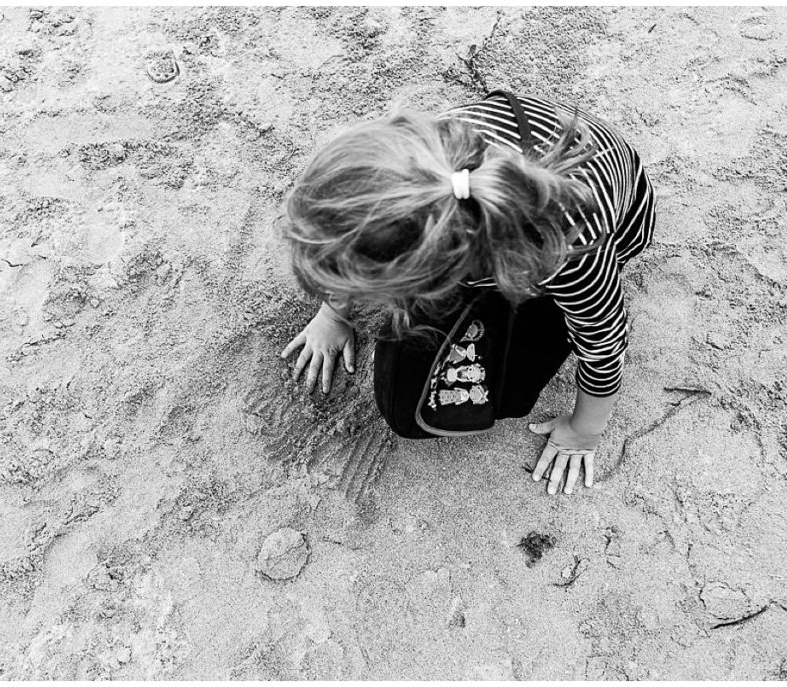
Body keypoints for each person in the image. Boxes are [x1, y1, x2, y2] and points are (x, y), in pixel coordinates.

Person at [278, 91, 656, 497]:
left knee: (508, 379)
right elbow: (357, 241)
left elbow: (603, 342)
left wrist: (584, 430)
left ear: (438, 274)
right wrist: (333, 314)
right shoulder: (422, 171)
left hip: (597, 225)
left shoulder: (564, 251)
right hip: (490, 216)